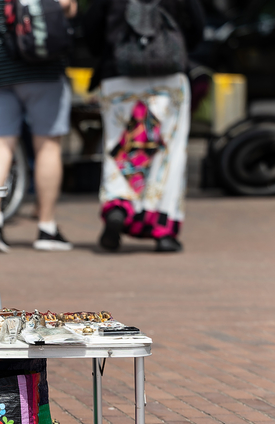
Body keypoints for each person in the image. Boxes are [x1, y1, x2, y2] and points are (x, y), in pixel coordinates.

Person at [83, 0, 205, 253]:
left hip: (117, 73)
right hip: (169, 73)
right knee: (168, 152)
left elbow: (91, 30)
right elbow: (197, 29)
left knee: (118, 146)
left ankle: (118, 205)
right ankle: (163, 227)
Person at [0, 0, 77, 251]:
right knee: (48, 145)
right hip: (44, 68)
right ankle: (46, 228)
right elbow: (67, 6)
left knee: (0, 142)